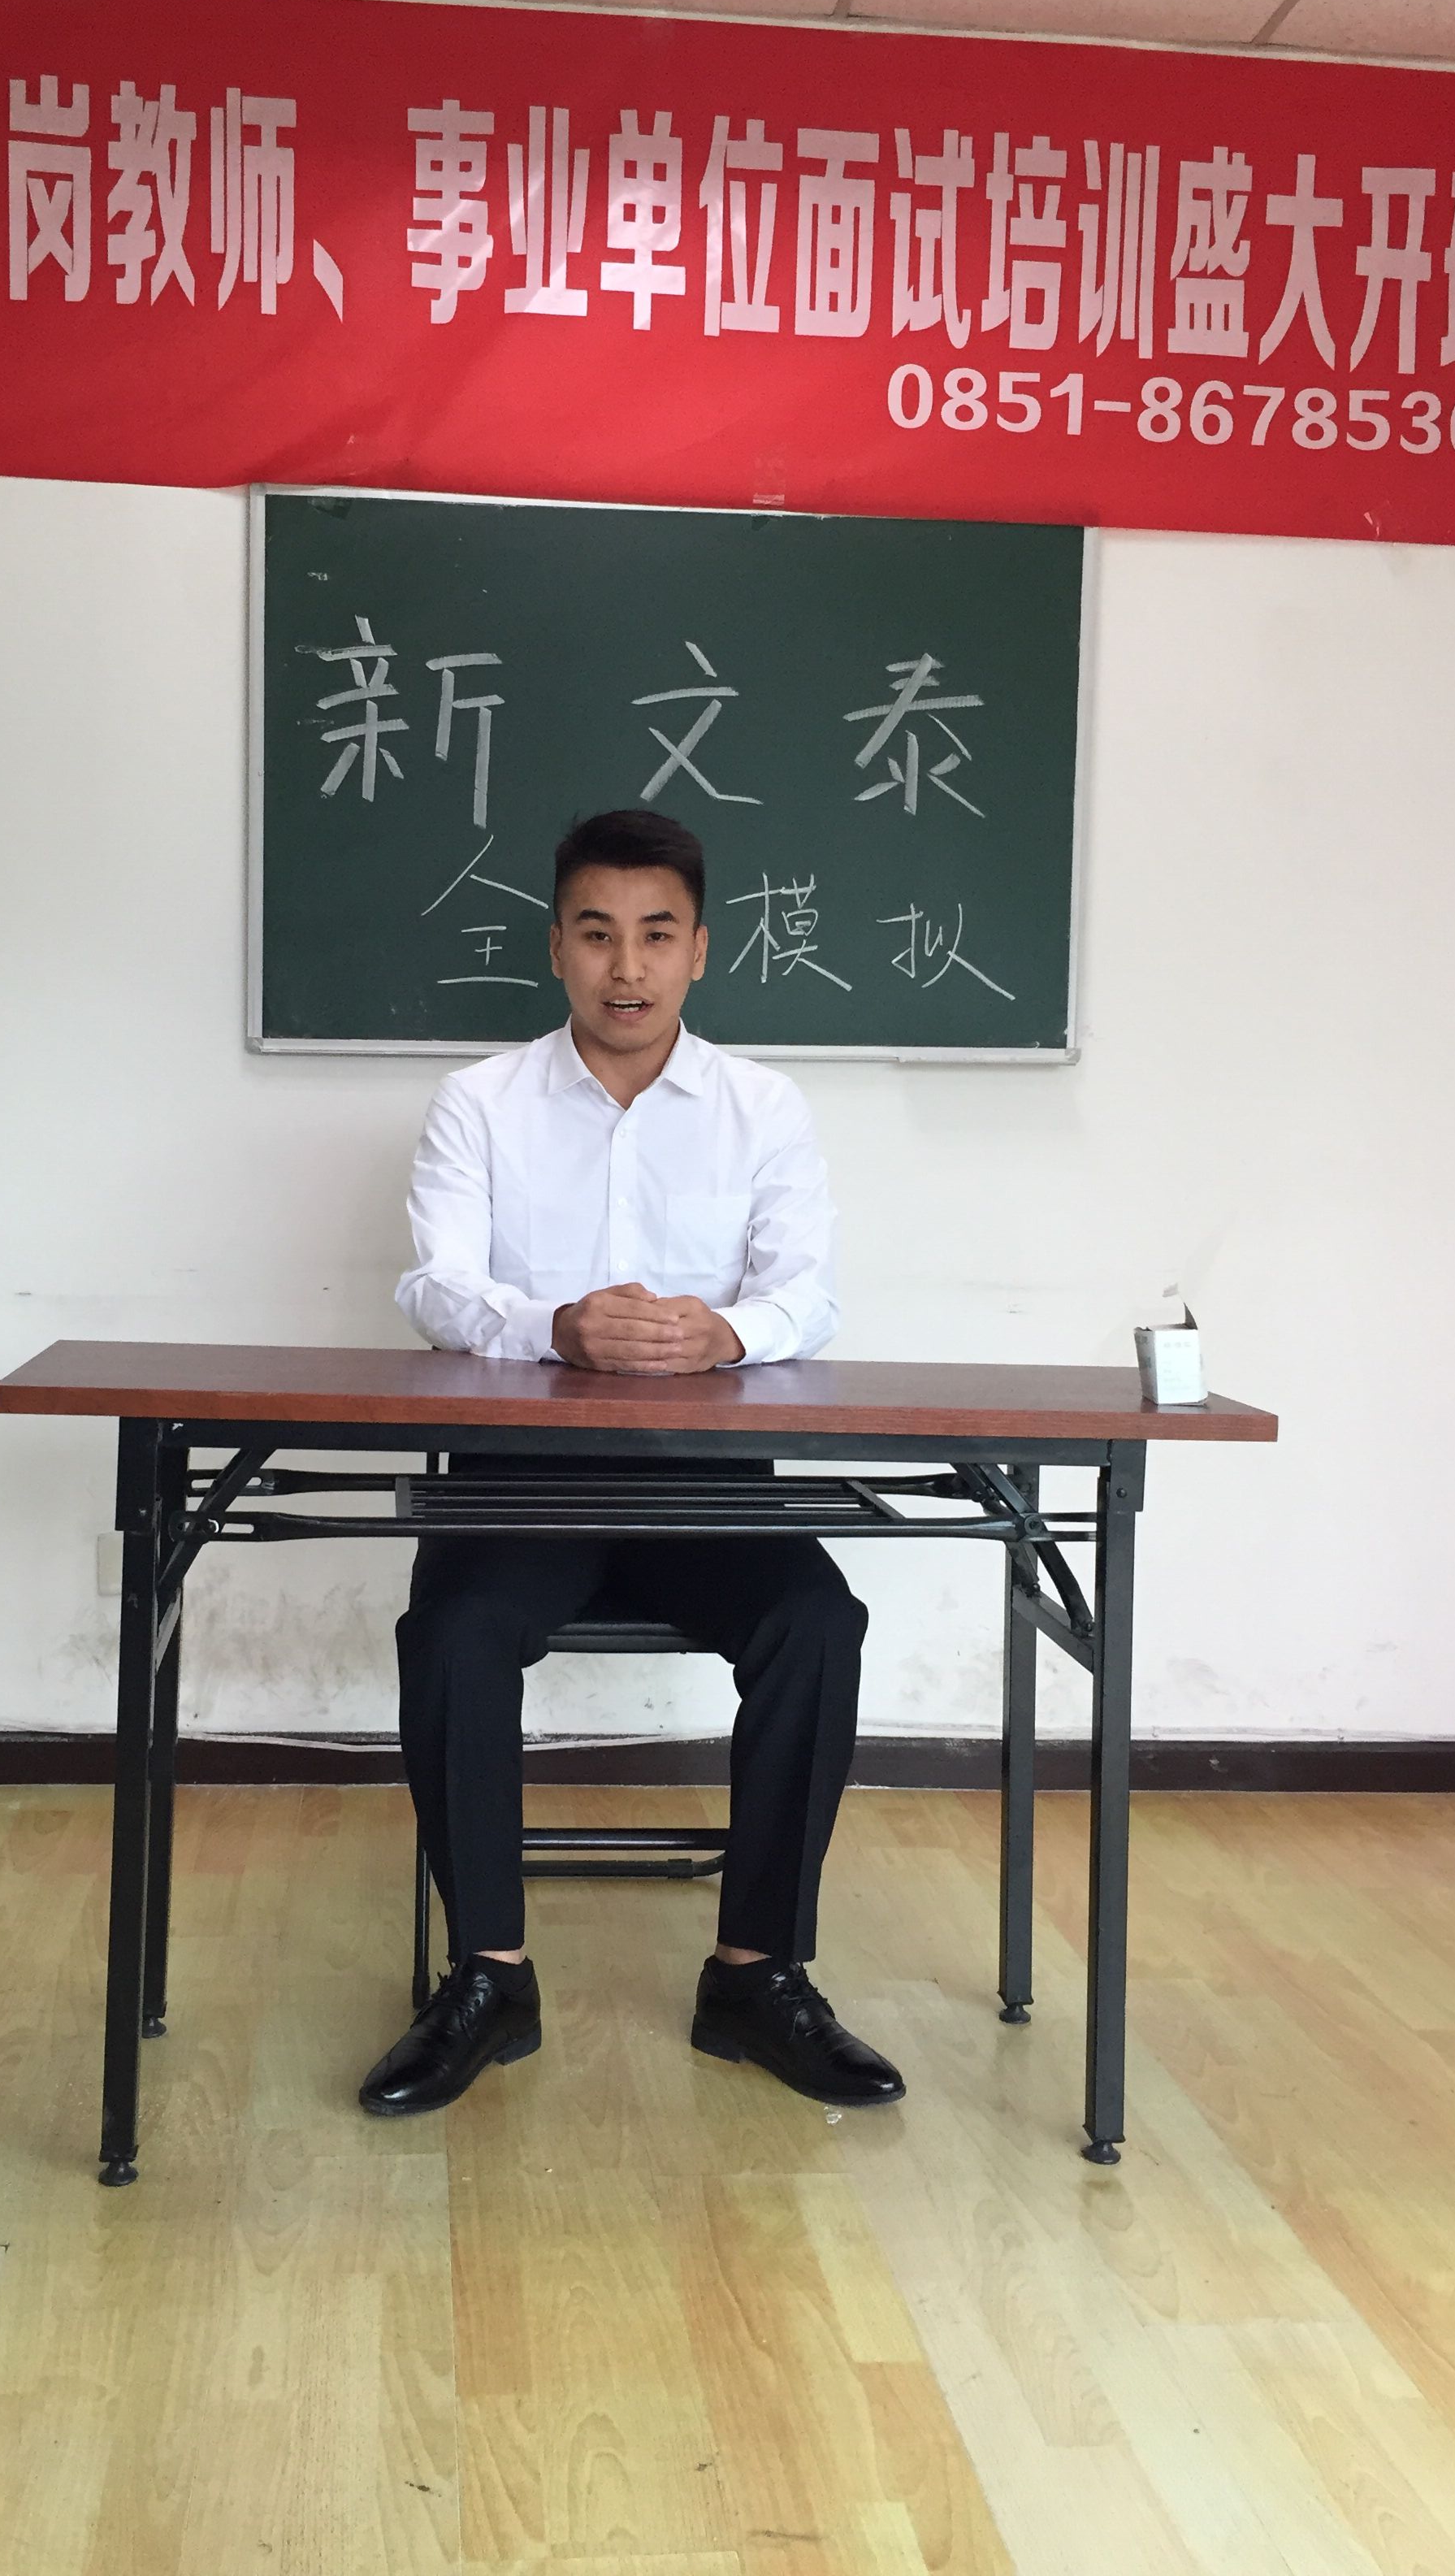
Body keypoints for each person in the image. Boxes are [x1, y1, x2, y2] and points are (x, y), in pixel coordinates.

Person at [358, 807, 904, 2119]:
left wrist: (724, 1331)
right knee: (453, 1633)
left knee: (818, 1622)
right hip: (521, 1480)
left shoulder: (762, 1107)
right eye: (597, 934)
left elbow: (809, 1294)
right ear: (556, 946)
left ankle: (757, 1976)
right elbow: (435, 1287)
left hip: (703, 1479)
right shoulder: (479, 1103)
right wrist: (555, 1327)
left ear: (700, 950)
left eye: (657, 936)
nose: (627, 966)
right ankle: (488, 1978)